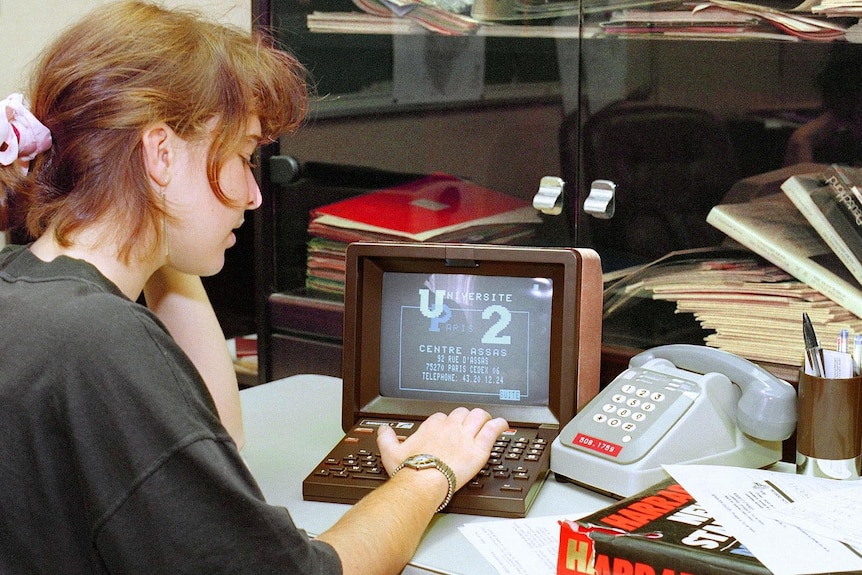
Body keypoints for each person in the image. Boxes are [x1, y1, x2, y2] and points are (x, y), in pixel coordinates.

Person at [0, 2, 509, 574]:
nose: (254, 193)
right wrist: (429, 474)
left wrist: (153, 221)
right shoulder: (99, 340)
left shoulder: (26, 290)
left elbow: (213, 442)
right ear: (160, 152)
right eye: (243, 155)